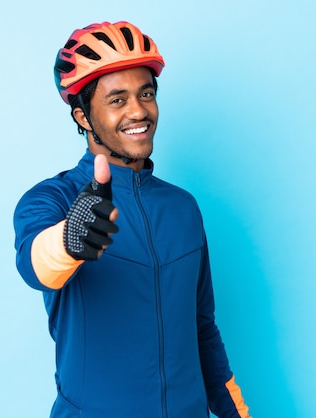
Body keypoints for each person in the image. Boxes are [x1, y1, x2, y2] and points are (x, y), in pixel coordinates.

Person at [13, 21, 251, 418]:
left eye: (146, 93)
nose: (139, 110)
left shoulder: (183, 208)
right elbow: (35, 265)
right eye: (117, 99)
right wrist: (71, 241)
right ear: (84, 117)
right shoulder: (51, 199)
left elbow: (202, 330)